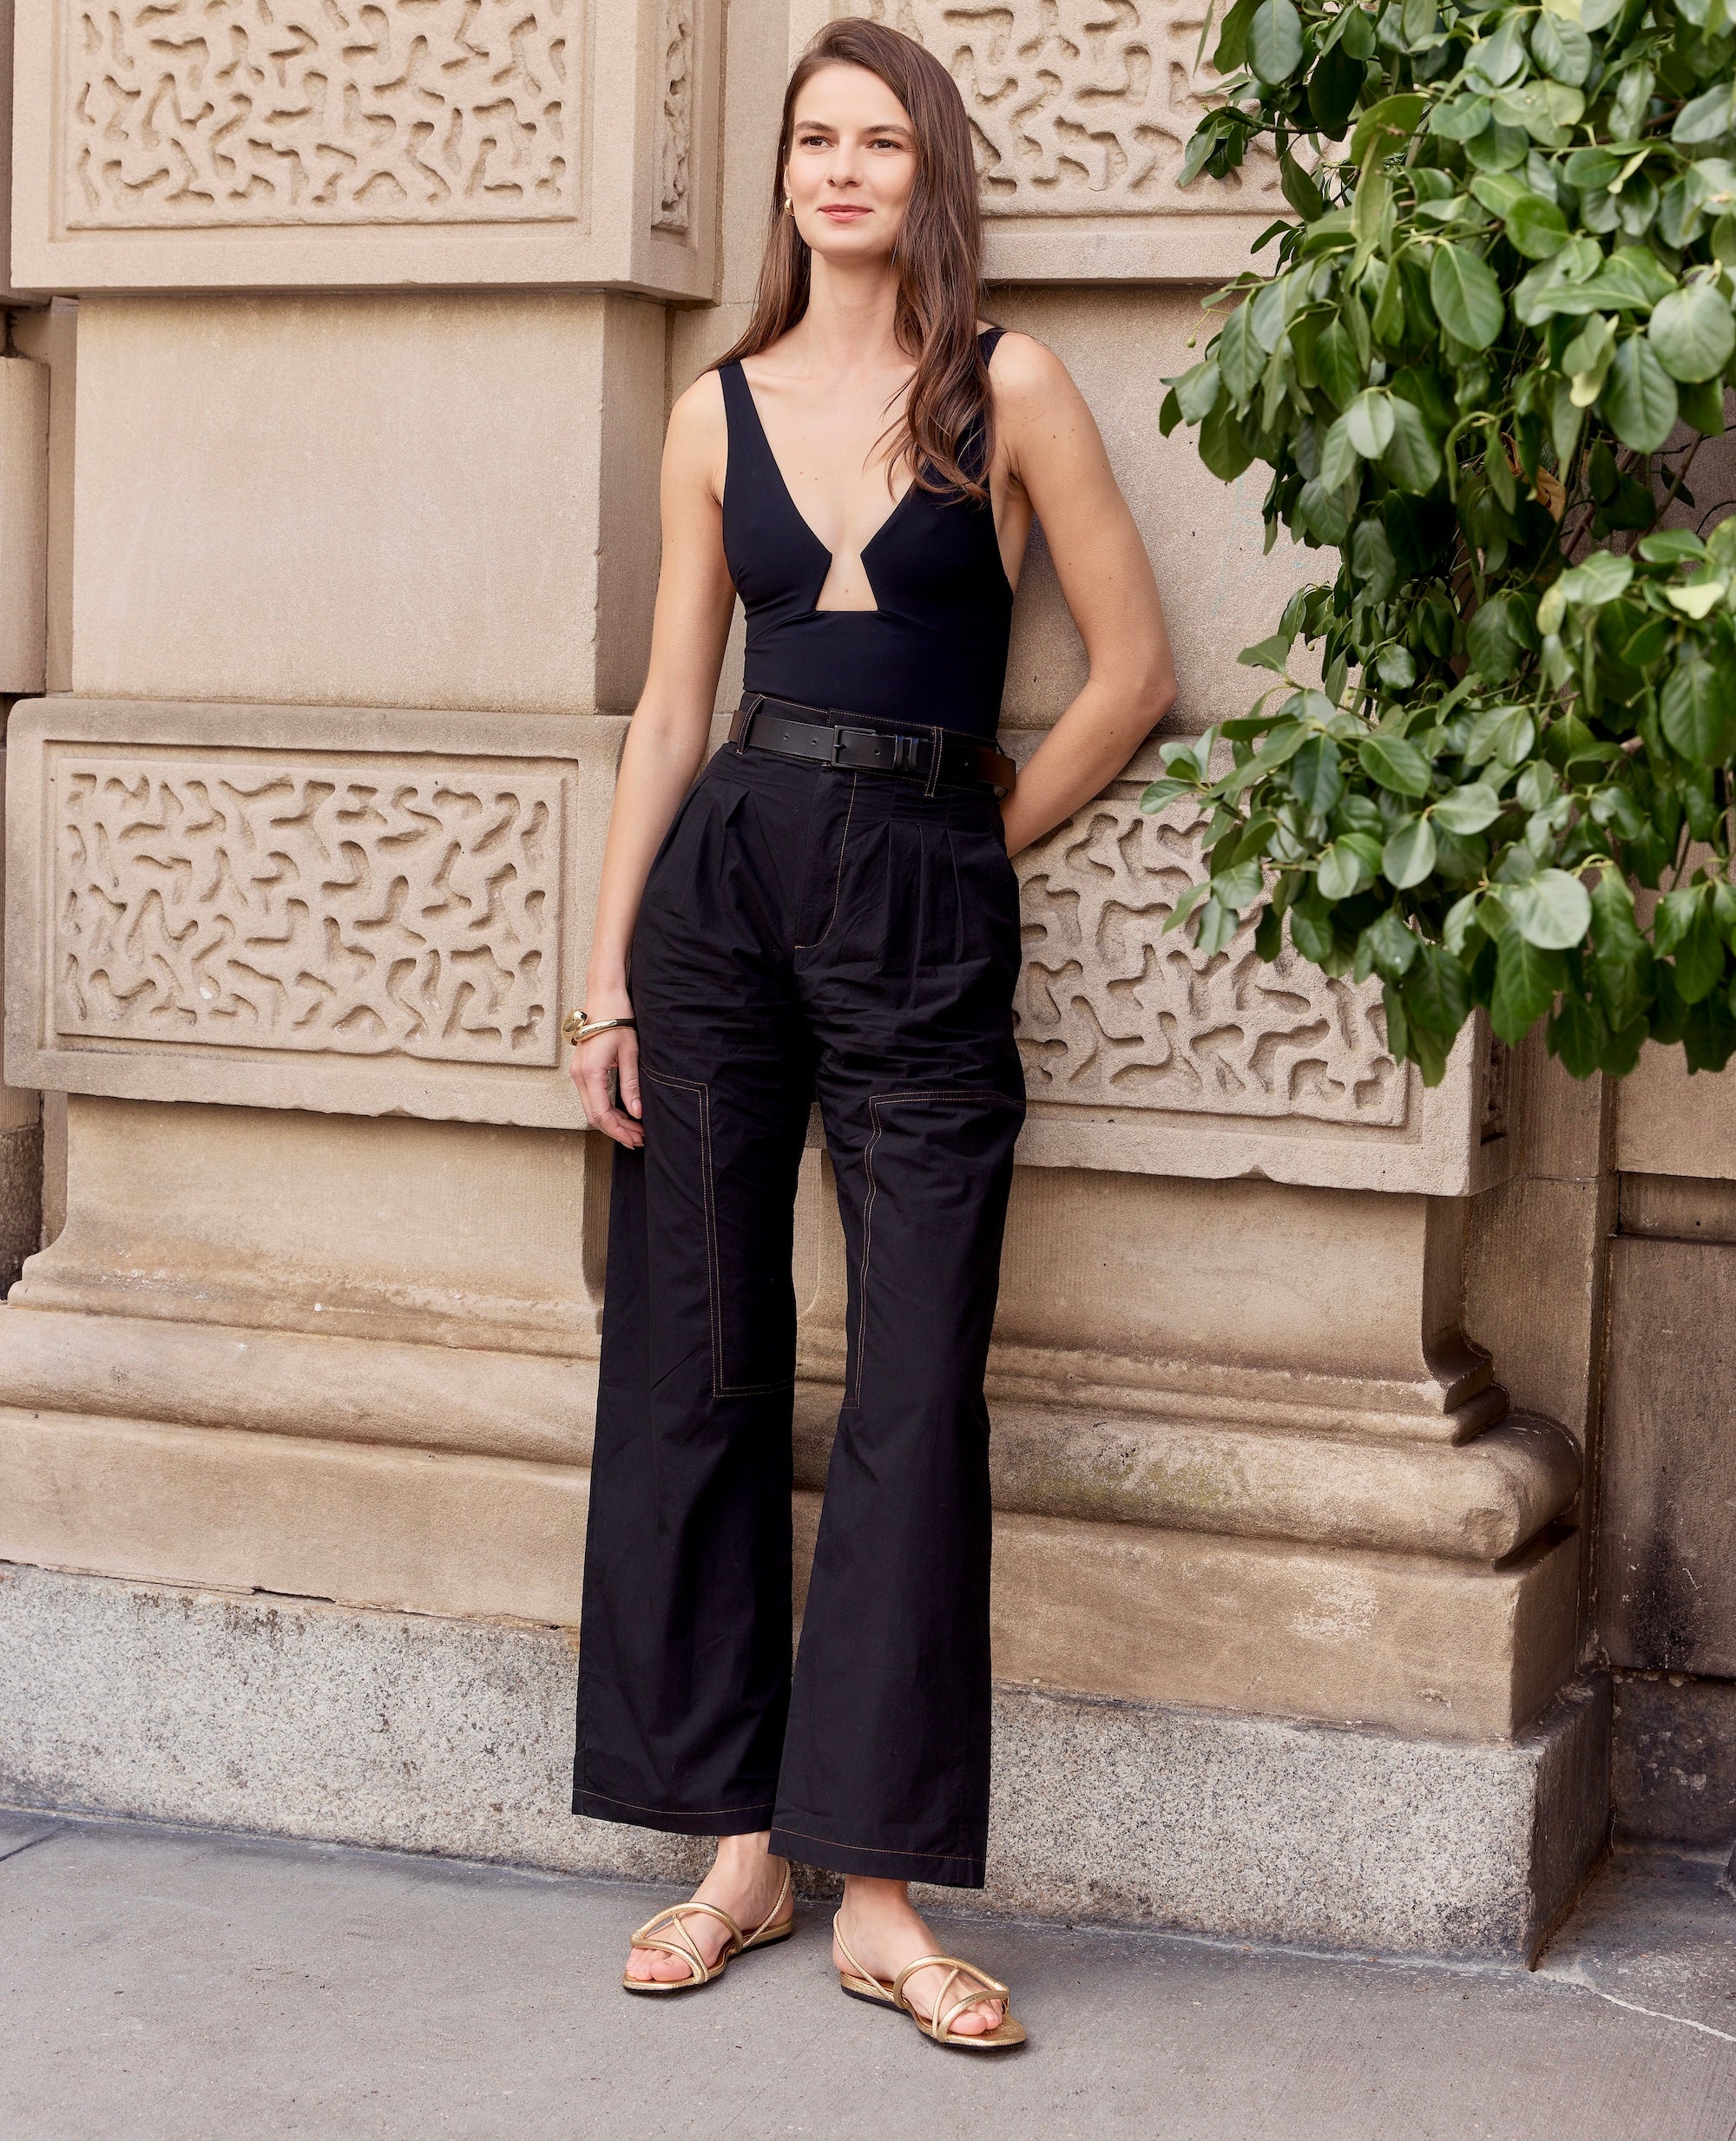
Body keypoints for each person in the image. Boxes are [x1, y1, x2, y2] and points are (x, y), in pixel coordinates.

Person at [568, 17, 1174, 2052]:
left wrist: (965, 837)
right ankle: (737, 1843)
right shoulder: (709, 406)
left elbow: (1129, 672)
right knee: (701, 1355)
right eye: (813, 142)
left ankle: (880, 1885)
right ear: (788, 179)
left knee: (914, 1385)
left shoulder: (1006, 387)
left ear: (931, 172)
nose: (842, 171)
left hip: (921, 896)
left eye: (878, 141)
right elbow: (669, 710)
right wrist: (601, 976)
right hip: (720, 896)